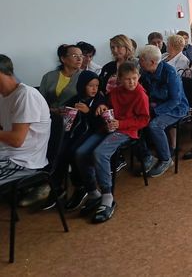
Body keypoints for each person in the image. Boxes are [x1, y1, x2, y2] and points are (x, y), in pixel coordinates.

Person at [74, 62, 150, 223]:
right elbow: (106, 103)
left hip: (126, 131)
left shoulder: (140, 95)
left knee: (100, 153)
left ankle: (107, 197)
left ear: (138, 77)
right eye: (127, 79)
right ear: (120, 79)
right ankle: (93, 193)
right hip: (107, 128)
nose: (132, 82)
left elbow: (144, 120)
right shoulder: (115, 92)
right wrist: (102, 105)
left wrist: (121, 124)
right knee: (80, 153)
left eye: (134, 78)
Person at [138, 45, 189, 178]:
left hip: (177, 108)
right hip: (157, 104)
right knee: (137, 119)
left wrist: (155, 111)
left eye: (142, 59)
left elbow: (175, 100)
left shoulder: (170, 73)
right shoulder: (145, 71)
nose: (139, 61)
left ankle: (166, 160)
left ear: (152, 62)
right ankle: (147, 156)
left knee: (154, 125)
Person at [59, 71, 106, 211]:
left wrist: (89, 112)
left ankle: (84, 188)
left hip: (95, 133)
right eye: (90, 85)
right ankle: (59, 188)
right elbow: (66, 120)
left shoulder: (100, 100)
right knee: (61, 151)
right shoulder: (76, 99)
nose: (94, 89)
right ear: (82, 86)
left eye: (96, 85)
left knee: (75, 152)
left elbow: (100, 125)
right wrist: (64, 113)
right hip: (77, 133)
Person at [0, 55, 51, 186]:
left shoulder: (26, 95)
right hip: (6, 155)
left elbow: (16, 140)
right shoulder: (3, 96)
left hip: (22, 162)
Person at [39, 44, 83, 112]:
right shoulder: (48, 76)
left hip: (73, 115)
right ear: (63, 59)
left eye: (81, 56)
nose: (79, 59)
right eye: (75, 56)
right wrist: (52, 110)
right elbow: (40, 100)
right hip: (48, 114)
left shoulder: (85, 76)